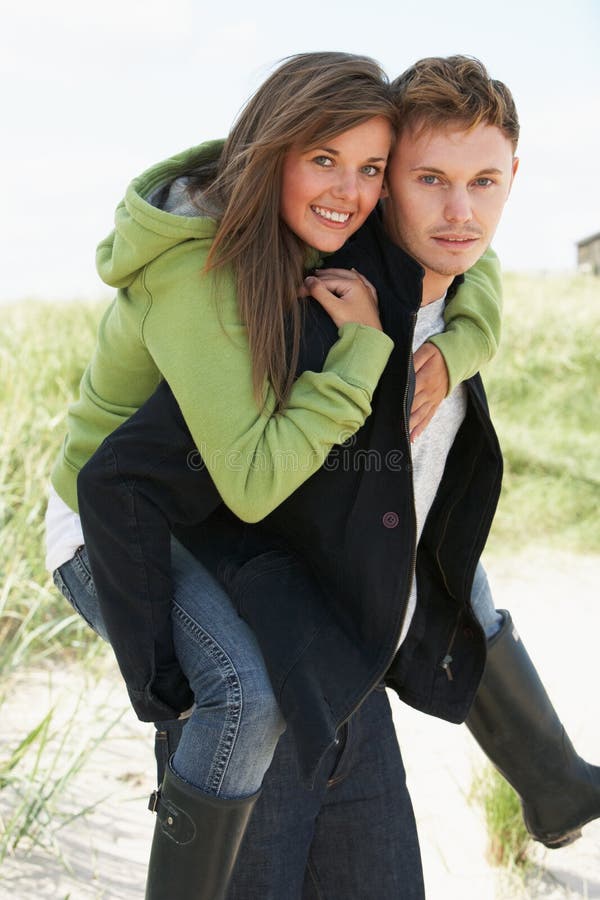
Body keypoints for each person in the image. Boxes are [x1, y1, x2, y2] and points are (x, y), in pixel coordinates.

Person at [47, 51, 503, 899]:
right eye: (324, 158)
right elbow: (255, 479)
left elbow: (466, 243)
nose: (351, 189)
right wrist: (367, 350)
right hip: (118, 522)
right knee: (243, 696)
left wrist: (455, 348)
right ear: (272, 150)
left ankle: (550, 782)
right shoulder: (197, 274)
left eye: (370, 168)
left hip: (216, 503)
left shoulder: (319, 223)